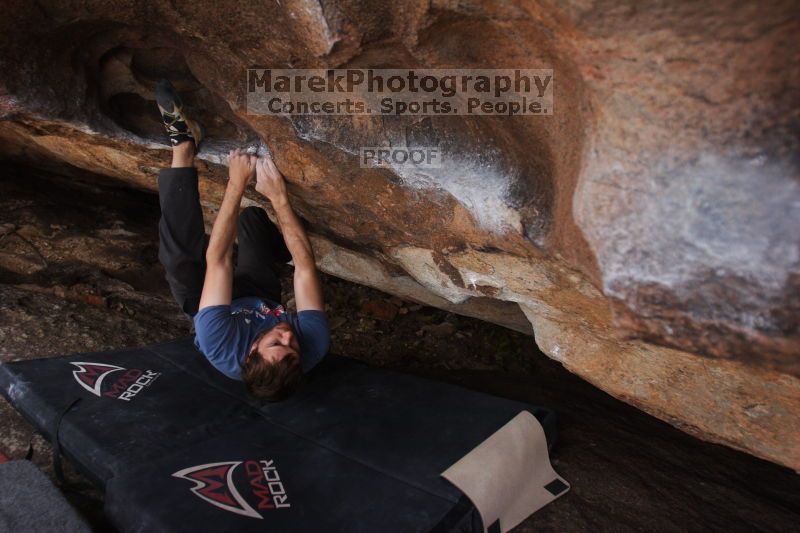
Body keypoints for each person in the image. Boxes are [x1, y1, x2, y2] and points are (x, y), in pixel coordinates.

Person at [154, 79, 329, 400]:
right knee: (253, 221)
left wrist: (236, 183)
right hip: (260, 297)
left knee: (177, 259)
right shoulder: (313, 346)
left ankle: (183, 146)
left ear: (250, 351)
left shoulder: (218, 341)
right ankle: (274, 247)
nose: (289, 336)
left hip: (208, 303)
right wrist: (279, 198)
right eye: (293, 348)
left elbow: (217, 261)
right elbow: (305, 268)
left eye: (277, 343)